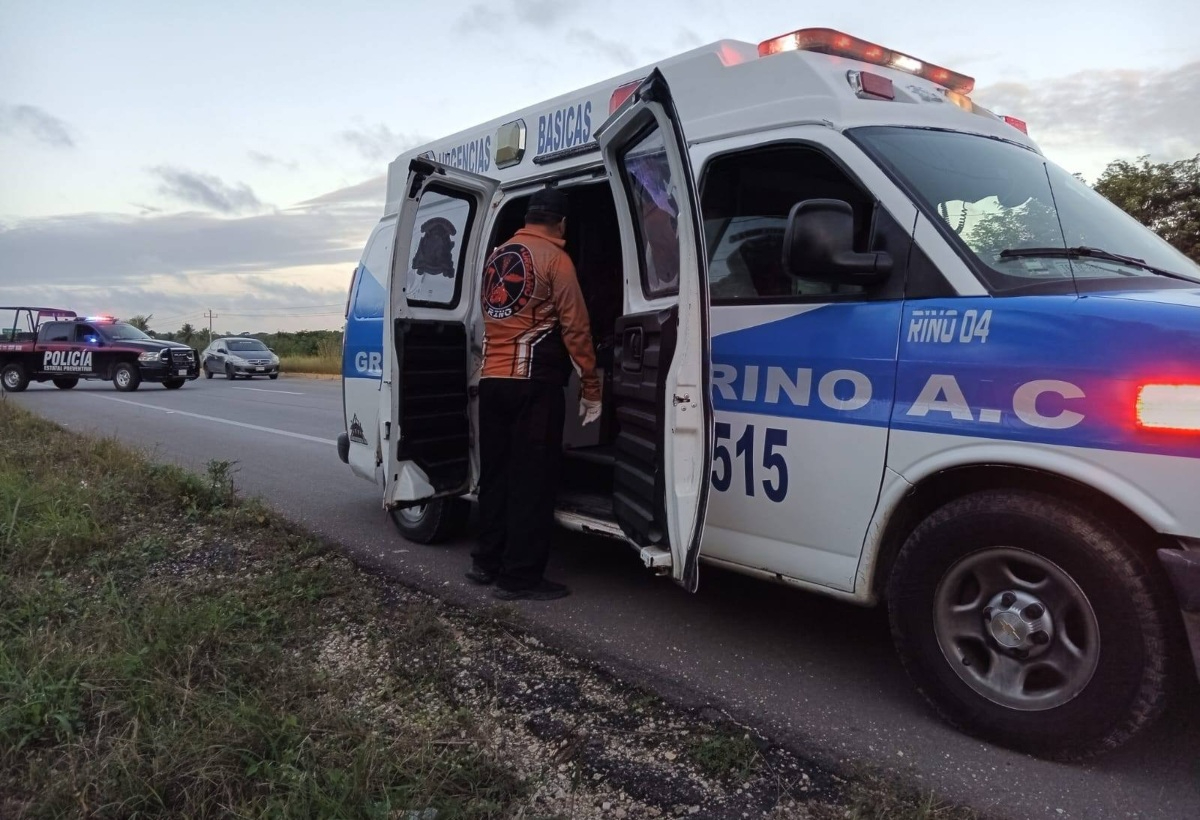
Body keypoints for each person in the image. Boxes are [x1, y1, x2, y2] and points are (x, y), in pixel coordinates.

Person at [469, 187, 601, 601]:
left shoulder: (496, 257)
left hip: (491, 382)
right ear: (561, 223)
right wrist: (592, 387)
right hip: (533, 385)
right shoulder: (556, 260)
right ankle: (520, 578)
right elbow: (576, 327)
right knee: (532, 482)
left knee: (495, 476)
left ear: (528, 218)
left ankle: (485, 562)